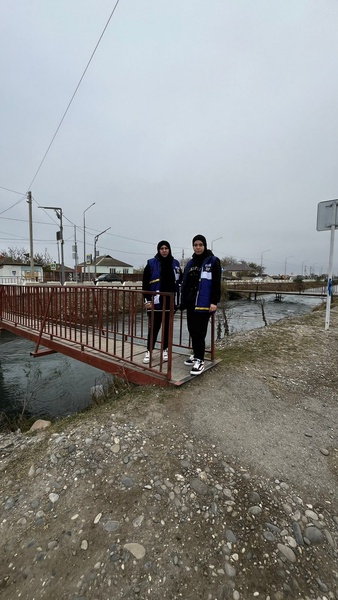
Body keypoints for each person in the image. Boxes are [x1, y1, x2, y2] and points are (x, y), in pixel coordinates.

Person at [180, 234, 221, 375]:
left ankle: (200, 360)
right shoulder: (191, 263)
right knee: (192, 329)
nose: (198, 247)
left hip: (203, 302)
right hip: (191, 302)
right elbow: (185, 283)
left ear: (204, 246)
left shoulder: (212, 261)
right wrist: (183, 301)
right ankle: (196, 354)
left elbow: (216, 283)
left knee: (199, 331)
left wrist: (214, 302)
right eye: (195, 245)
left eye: (200, 245)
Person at [142, 241, 182, 364]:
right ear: (158, 250)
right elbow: (145, 284)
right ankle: (149, 351)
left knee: (167, 328)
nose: (164, 250)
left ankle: (165, 349)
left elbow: (180, 282)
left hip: (170, 302)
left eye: (166, 248)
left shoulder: (175, 264)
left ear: (169, 249)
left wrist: (179, 301)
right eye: (161, 248)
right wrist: (147, 300)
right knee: (154, 327)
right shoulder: (151, 263)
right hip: (156, 302)